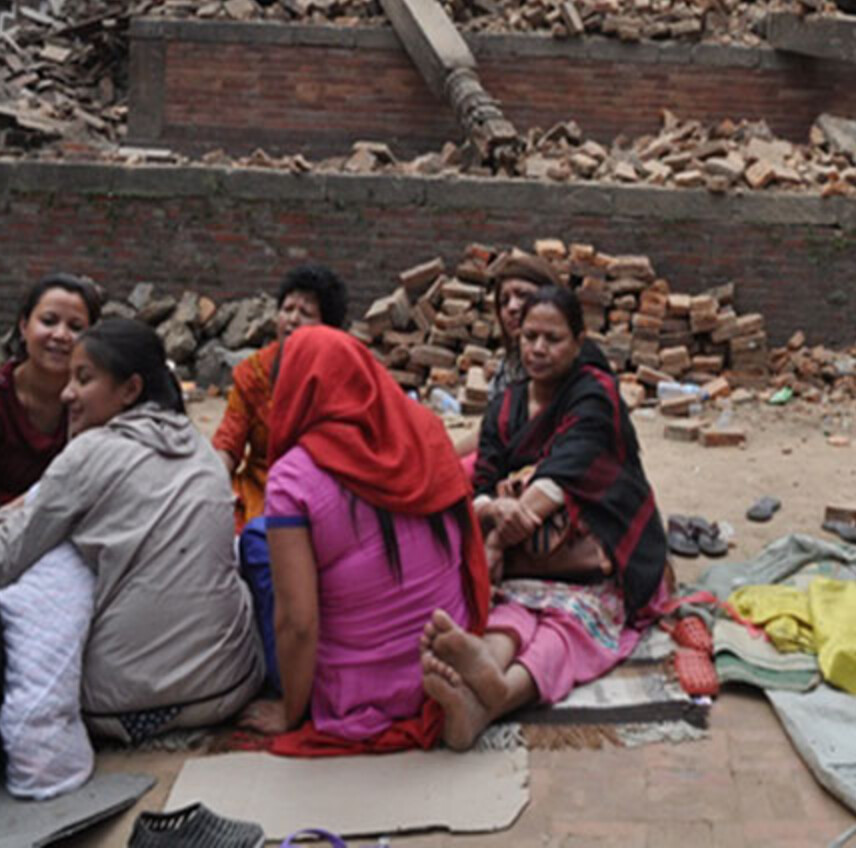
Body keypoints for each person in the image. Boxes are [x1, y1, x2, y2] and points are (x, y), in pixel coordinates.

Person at [0, 318, 263, 742]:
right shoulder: (200, 449)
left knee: (58, 557)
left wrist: (16, 508)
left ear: (130, 389)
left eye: (84, 378)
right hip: (229, 687)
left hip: (124, 706)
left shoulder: (91, 453)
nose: (67, 392)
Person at [418, 285, 671, 751]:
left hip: (599, 559)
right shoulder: (504, 406)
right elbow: (481, 479)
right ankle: (483, 684)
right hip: (525, 560)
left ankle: (500, 693)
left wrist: (494, 539)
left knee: (569, 626)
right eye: (530, 336)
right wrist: (493, 507)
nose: (537, 348)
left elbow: (559, 476)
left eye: (552, 339)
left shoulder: (595, 396)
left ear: (578, 342)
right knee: (511, 615)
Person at [237, 326, 491, 749]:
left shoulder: (294, 475)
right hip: (444, 652)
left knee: (256, 542)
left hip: (358, 691)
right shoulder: (424, 432)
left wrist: (291, 711)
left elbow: (297, 624)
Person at [0, 273, 103, 531]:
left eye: (75, 327)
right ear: (24, 326)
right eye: (48, 321)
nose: (61, 335)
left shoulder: (98, 401)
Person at [213, 263, 349, 526]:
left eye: (306, 313)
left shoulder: (343, 374)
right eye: (287, 309)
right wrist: (209, 484)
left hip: (323, 495)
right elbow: (228, 444)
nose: (292, 320)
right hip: (260, 493)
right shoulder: (253, 373)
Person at [453, 249, 561, 461]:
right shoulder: (508, 367)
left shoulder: (569, 363)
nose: (512, 307)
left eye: (523, 296)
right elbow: (489, 432)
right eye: (504, 301)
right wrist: (445, 458)